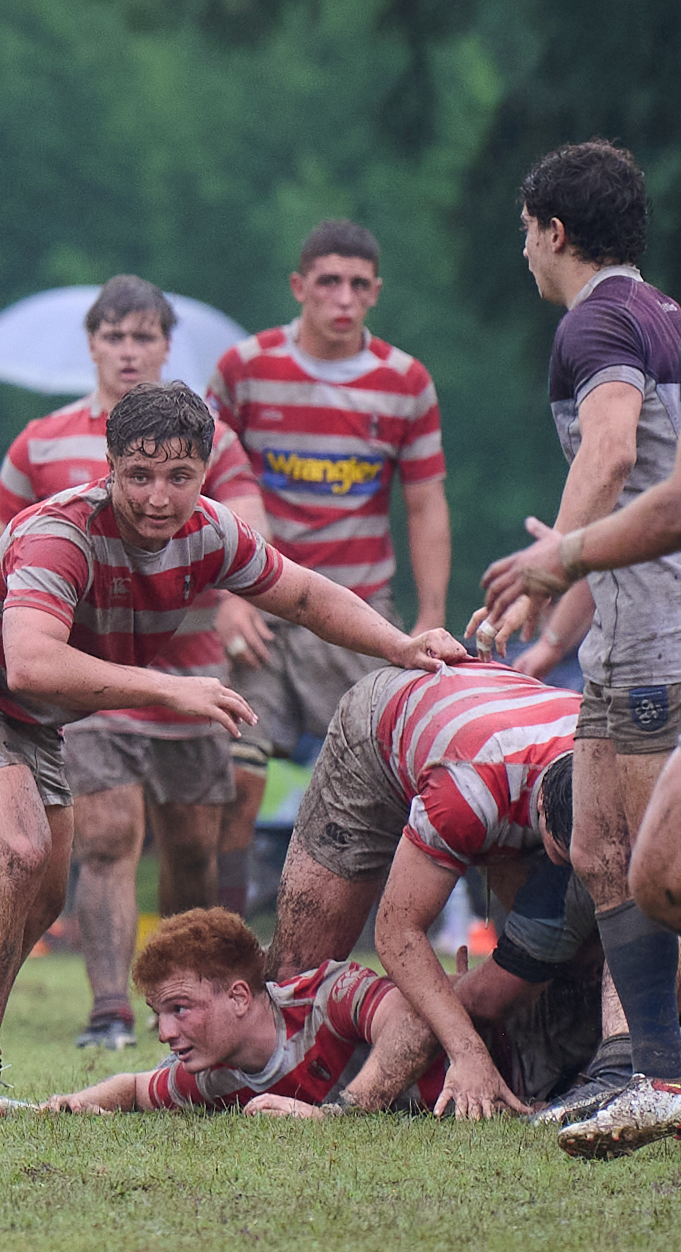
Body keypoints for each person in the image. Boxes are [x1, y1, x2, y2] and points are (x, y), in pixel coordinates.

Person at [0, 381, 466, 1117]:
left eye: (180, 477)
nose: (159, 497)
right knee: (19, 851)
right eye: (140, 475)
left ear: (205, 470)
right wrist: (172, 689)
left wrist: (400, 642)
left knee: (38, 896)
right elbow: (32, 662)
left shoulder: (211, 531)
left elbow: (306, 597)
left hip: (30, 723)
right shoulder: (59, 535)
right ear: (110, 465)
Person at [0, 275, 272, 1051]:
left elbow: (251, 533)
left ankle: (185, 998)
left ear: (168, 348)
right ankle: (108, 1010)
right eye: (115, 336)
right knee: (103, 836)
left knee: (193, 848)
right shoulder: (40, 440)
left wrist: (238, 602)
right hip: (86, 682)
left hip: (190, 674)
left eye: (145, 338)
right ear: (92, 345)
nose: (129, 350)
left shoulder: (212, 439)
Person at [471, 139, 681, 1158]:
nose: (521, 252)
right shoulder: (653, 311)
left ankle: (664, 1075)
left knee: (655, 865)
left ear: (551, 232)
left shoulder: (596, 317)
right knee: (596, 845)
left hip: (657, 629)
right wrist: (550, 622)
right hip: (617, 628)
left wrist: (550, 560)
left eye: (524, 232)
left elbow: (609, 447)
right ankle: (641, 1073)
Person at [207, 219, 451, 930]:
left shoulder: (404, 382)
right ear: (299, 288)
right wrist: (225, 595)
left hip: (356, 609)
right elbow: (209, 485)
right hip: (259, 605)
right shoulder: (244, 368)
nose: (342, 297)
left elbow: (426, 501)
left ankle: (395, 942)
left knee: (386, 786)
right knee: (235, 780)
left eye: (357, 284)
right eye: (327, 283)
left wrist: (428, 612)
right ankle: (225, 946)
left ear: (376, 292)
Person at [264, 661, 605, 1120]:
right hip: (383, 732)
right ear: (542, 810)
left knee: (541, 971)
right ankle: (317, 1101)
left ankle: (557, 1075)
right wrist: (467, 1052)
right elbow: (397, 933)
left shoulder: (612, 765)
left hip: (495, 736)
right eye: (559, 857)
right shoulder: (467, 795)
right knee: (297, 975)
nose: (568, 871)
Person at [43, 909, 443, 1116]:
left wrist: (339, 1115)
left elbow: (414, 1017)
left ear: (238, 997)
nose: (164, 1032)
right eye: (159, 1013)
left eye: (179, 1009)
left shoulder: (326, 996)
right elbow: (134, 1088)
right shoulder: (213, 1076)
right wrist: (72, 1103)